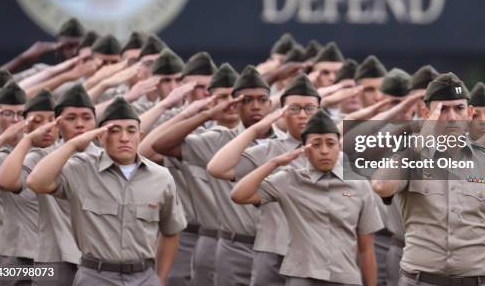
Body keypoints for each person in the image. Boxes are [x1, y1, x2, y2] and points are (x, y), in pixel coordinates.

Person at [372, 72, 485, 286]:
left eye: (459, 108)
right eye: (442, 109)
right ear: (426, 113)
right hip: (421, 280)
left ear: (470, 113)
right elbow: (381, 186)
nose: (452, 116)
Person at [27, 97, 187, 286]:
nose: (124, 138)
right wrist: (73, 145)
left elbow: (171, 231)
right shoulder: (81, 169)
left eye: (131, 130)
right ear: (101, 136)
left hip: (144, 276)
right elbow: (36, 182)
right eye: (114, 131)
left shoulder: (161, 177)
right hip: (96, 275)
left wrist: (159, 279)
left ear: (140, 135)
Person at [145, 64, 278, 286]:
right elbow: (152, 149)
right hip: (232, 244)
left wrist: (359, 116)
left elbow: (357, 184)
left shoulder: (301, 142)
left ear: (272, 104)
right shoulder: (217, 140)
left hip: (299, 251)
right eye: (247, 100)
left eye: (262, 99)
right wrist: (201, 113)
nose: (256, 105)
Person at [231, 109, 383, 286]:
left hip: (344, 277)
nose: (324, 151)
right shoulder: (289, 179)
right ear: (304, 149)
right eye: (316, 145)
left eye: (330, 144)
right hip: (301, 276)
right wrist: (275, 163)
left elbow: (365, 248)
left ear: (339, 147)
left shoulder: (358, 184)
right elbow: (238, 195)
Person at [208, 74, 322, 286]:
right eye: (294, 109)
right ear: (282, 113)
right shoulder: (270, 149)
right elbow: (217, 168)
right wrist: (256, 129)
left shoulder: (335, 153)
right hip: (273, 250)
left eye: (310, 108)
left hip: (317, 253)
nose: (303, 115)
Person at [0, 84, 102, 285]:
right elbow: (6, 181)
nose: (80, 124)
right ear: (58, 124)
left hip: (99, 260)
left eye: (87, 118)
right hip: (53, 258)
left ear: (96, 122)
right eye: (71, 118)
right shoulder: (42, 157)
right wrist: (27, 140)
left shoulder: (109, 160)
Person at [0, 81, 27, 284]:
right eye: (8, 113)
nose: (15, 120)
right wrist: (2, 139)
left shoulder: (39, 150)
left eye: (21, 114)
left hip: (29, 247)